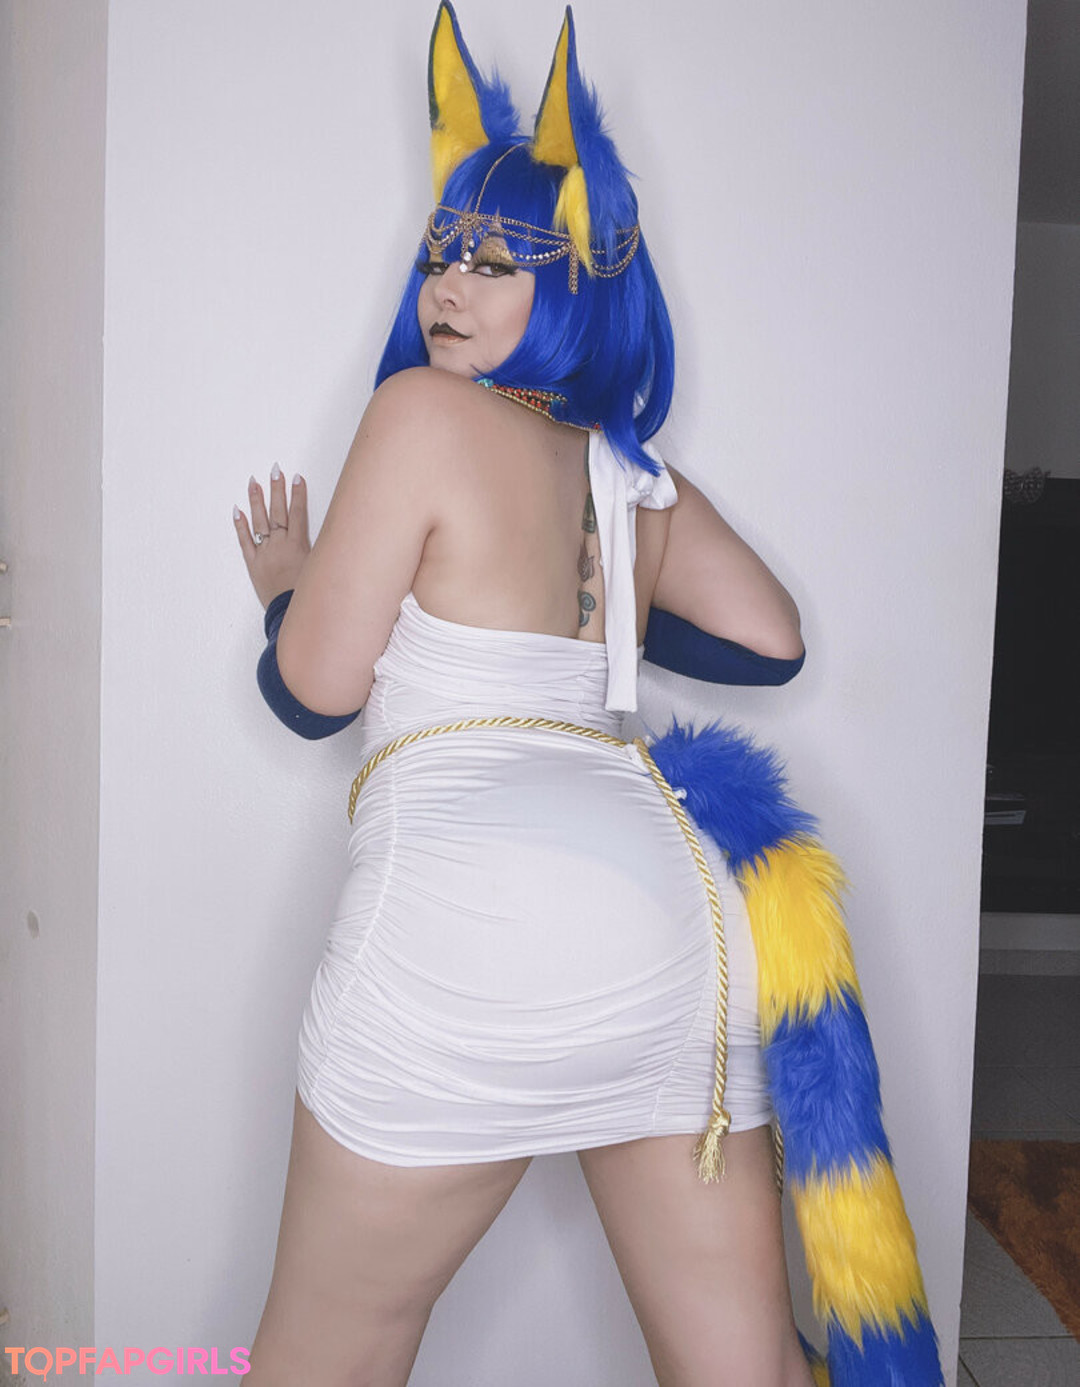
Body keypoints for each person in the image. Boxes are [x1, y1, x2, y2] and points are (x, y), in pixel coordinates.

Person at [233, 8, 942, 1386]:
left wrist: (288, 587)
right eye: (441, 252)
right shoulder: (631, 468)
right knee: (743, 1373)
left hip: (468, 935)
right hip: (681, 935)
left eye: (498, 261)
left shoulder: (418, 415)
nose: (449, 284)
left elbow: (311, 693)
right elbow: (771, 642)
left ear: (578, 287)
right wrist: (597, 609)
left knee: (327, 1356)